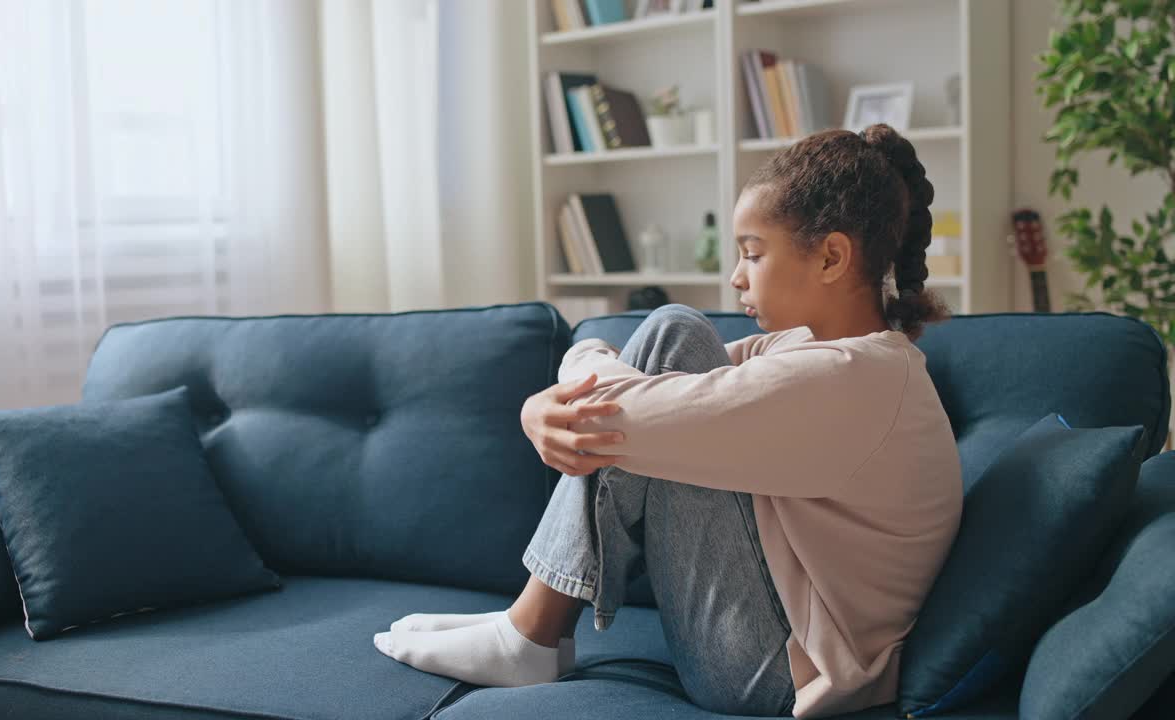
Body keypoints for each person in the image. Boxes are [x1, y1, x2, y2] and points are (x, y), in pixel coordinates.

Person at [373, 124, 963, 719]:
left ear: (832, 256)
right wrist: (557, 395)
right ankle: (528, 627)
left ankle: (530, 632)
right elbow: (660, 388)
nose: (737, 277)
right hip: (781, 643)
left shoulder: (849, 379)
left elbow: (630, 411)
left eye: (754, 253)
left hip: (777, 674)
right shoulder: (818, 356)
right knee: (671, 340)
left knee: (671, 330)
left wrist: (565, 373)